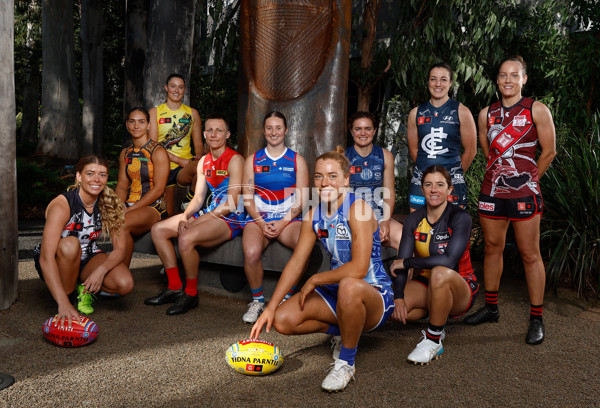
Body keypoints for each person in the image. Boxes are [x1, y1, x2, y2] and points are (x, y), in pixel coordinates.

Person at [250, 147, 395, 392]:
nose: (324, 182)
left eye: (332, 176)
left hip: (373, 293)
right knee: (283, 321)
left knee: (349, 285)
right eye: (319, 176)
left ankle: (346, 363)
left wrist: (316, 279)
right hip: (337, 291)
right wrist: (271, 307)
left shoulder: (357, 210)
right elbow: (296, 263)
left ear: (347, 179)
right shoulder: (313, 215)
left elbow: (359, 269)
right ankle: (346, 329)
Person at [464, 56, 556, 345]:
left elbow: (549, 152)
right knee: (492, 248)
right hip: (493, 191)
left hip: (524, 193)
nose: (508, 80)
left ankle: (537, 317)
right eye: (503, 75)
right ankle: (491, 308)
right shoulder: (485, 114)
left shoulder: (536, 110)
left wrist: (530, 180)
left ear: (524, 79)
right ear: (497, 80)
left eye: (514, 75)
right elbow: (489, 152)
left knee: (530, 254)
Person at [145, 114, 245, 315]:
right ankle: (174, 287)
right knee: (158, 230)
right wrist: (185, 216)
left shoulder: (235, 160)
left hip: (231, 217)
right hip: (209, 211)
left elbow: (233, 202)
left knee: (186, 237)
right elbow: (198, 197)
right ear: (204, 134)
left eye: (219, 130)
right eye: (209, 130)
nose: (213, 134)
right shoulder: (203, 162)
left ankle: (190, 294)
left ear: (227, 134)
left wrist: (198, 221)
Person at [390, 165, 478, 364]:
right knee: (392, 309)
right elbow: (401, 262)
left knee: (440, 271)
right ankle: (437, 314)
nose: (434, 190)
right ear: (422, 190)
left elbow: (449, 261)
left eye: (440, 185)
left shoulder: (460, 217)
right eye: (428, 185)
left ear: (449, 189)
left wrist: (408, 262)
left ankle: (434, 339)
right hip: (426, 282)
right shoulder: (413, 219)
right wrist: (398, 297)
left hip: (460, 285)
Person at [34, 155, 133, 322]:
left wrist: (100, 271)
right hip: (60, 256)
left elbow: (121, 249)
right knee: (70, 244)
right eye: (90, 173)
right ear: (79, 176)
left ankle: (83, 289)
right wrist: (63, 303)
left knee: (125, 283)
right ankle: (68, 297)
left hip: (86, 255)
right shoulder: (62, 205)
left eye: (102, 174)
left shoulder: (109, 202)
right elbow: (46, 257)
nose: (97, 179)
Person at [241, 111, 309, 324]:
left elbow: (301, 199)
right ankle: (257, 300)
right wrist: (261, 222)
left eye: (278, 128)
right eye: (269, 128)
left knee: (304, 245)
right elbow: (247, 198)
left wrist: (282, 222)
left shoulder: (296, 160)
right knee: (251, 252)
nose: (274, 132)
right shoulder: (253, 159)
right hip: (259, 217)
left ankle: (285, 298)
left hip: (287, 219)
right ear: (263, 131)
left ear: (286, 130)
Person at [407, 62, 477, 211]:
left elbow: (471, 151)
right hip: (421, 180)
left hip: (451, 181)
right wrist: (428, 176)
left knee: (452, 230)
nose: (438, 84)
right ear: (428, 82)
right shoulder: (416, 113)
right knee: (419, 230)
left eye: (443, 79)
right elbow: (414, 150)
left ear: (450, 83)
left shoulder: (462, 111)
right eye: (433, 79)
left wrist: (451, 175)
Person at [115, 107, 169, 267]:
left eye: (141, 122)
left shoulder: (158, 151)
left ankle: (120, 275)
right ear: (127, 125)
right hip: (131, 205)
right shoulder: (126, 153)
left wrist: (130, 209)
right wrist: (118, 206)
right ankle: (120, 277)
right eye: (132, 121)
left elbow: (159, 189)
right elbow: (122, 185)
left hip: (154, 207)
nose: (136, 126)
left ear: (148, 125)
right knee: (117, 223)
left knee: (121, 224)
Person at [345, 111, 403, 249]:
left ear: (374, 131)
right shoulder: (343, 157)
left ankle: (399, 270)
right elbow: (341, 197)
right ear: (351, 131)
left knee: (404, 239)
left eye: (368, 129)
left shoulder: (385, 156)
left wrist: (386, 222)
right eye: (358, 129)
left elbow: (389, 192)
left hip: (378, 214)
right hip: (352, 216)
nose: (363, 133)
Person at [149, 73, 203, 215]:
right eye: (173, 86)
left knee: (202, 167)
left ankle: (190, 198)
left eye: (180, 87)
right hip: (163, 167)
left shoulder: (192, 113)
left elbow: (198, 146)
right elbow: (154, 147)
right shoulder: (155, 112)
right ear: (166, 88)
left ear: (184, 89)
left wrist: (198, 157)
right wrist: (178, 160)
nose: (176, 90)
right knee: (171, 214)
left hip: (186, 167)